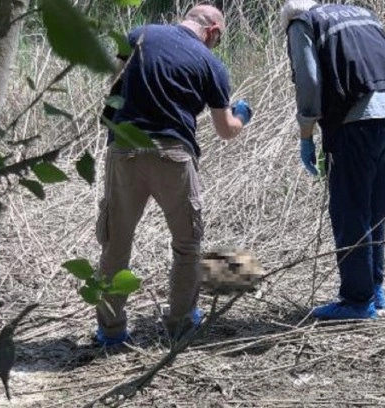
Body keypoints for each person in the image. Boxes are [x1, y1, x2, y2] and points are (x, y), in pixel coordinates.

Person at [95, 4, 252, 344]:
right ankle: (180, 325)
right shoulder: (212, 64)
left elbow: (114, 85)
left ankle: (110, 331)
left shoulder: (140, 34)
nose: (216, 45)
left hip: (125, 149)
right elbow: (225, 130)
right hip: (173, 155)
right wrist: (242, 115)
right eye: (219, 39)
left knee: (116, 244)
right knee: (186, 245)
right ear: (212, 31)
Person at [280, 0, 385, 320]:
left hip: (358, 124)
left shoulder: (302, 23)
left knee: (350, 210)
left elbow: (309, 82)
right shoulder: (361, 12)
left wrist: (306, 135)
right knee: (374, 208)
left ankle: (357, 300)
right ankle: (375, 290)